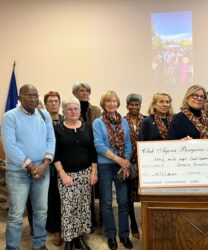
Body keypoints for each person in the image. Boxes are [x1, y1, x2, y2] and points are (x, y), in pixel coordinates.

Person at [1, 84, 55, 250]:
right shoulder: (10, 116)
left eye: (35, 95)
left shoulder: (44, 115)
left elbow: (51, 140)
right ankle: (12, 247)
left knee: (41, 211)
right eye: (28, 96)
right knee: (16, 215)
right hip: (18, 173)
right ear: (19, 98)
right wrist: (31, 166)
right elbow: (9, 146)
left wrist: (45, 164)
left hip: (42, 170)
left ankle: (39, 244)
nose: (33, 99)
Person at [53, 97, 98, 250]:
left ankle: (79, 238)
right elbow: (55, 154)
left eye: (76, 108)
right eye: (70, 109)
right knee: (68, 209)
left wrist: (93, 172)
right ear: (64, 111)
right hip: (67, 175)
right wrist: (62, 174)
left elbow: (93, 151)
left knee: (83, 207)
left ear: (80, 110)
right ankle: (69, 240)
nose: (73, 111)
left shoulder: (87, 127)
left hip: (86, 174)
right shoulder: (58, 129)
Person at [93, 91, 133, 250]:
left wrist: (126, 161)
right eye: (108, 101)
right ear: (104, 104)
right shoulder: (98, 122)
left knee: (123, 202)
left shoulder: (123, 121)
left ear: (118, 103)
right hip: (105, 165)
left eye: (114, 101)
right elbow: (99, 146)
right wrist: (119, 160)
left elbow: (128, 143)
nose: (111, 104)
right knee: (107, 202)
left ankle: (124, 235)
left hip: (122, 165)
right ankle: (111, 235)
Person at [72, 81, 101, 232]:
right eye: (81, 91)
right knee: (81, 190)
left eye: (87, 91)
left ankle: (93, 218)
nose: (85, 93)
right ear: (74, 94)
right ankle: (83, 220)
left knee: (93, 189)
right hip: (78, 153)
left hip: (95, 150)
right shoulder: (71, 110)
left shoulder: (96, 110)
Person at [43, 91, 64, 246]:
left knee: (64, 199)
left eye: (56, 101)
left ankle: (67, 227)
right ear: (45, 104)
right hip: (48, 166)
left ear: (60, 103)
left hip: (65, 165)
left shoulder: (65, 120)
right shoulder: (41, 120)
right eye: (50, 101)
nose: (53, 103)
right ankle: (55, 230)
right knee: (53, 199)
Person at [124, 93, 144, 239]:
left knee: (144, 194)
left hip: (144, 162)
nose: (134, 107)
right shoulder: (122, 120)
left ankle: (146, 222)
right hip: (128, 162)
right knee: (129, 195)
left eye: (137, 104)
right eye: (132, 104)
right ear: (127, 106)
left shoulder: (147, 120)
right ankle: (133, 226)